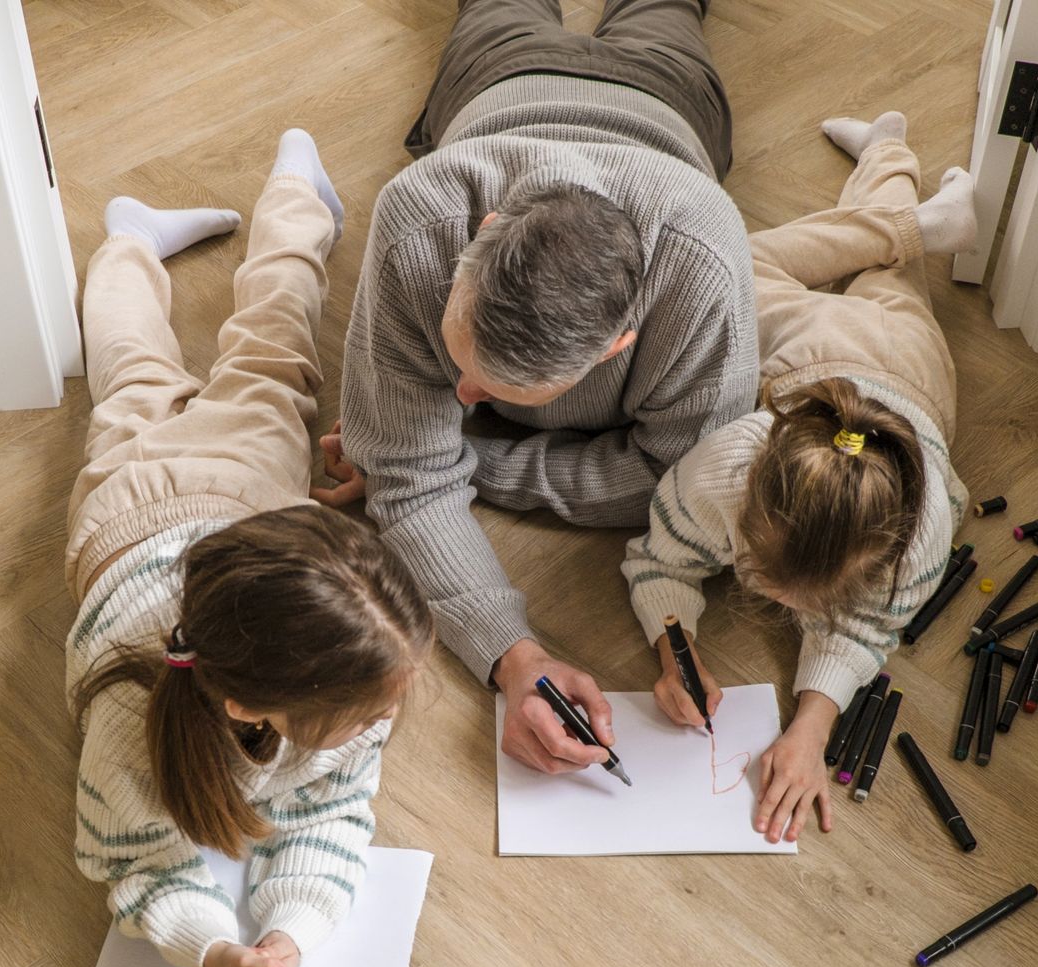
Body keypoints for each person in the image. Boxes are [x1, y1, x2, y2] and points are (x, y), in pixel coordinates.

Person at [319, 0, 758, 778]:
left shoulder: (705, 268)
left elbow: (679, 482)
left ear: (618, 346)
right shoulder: (417, 220)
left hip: (668, 104)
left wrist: (454, 461)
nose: (457, 393)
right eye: (461, 360)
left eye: (488, 390)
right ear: (484, 230)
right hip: (501, 82)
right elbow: (411, 482)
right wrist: (513, 658)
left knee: (666, 9)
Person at [64, 131, 434, 967]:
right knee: (167, 367)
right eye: (374, 709)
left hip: (238, 502)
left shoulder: (344, 675)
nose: (388, 718)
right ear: (249, 705)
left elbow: (333, 812)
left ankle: (292, 183)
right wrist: (214, 946)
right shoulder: (128, 735)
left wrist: (290, 927)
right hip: (131, 509)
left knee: (232, 354)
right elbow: (136, 861)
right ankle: (136, 237)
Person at [621, 111, 977, 842]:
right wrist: (672, 646)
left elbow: (869, 625)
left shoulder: (921, 538)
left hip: (910, 370)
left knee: (893, 276)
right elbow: (661, 555)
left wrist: (812, 729)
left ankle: (890, 153)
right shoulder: (729, 459)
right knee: (733, 260)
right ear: (748, 491)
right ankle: (899, 189)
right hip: (803, 362)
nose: (756, 591)